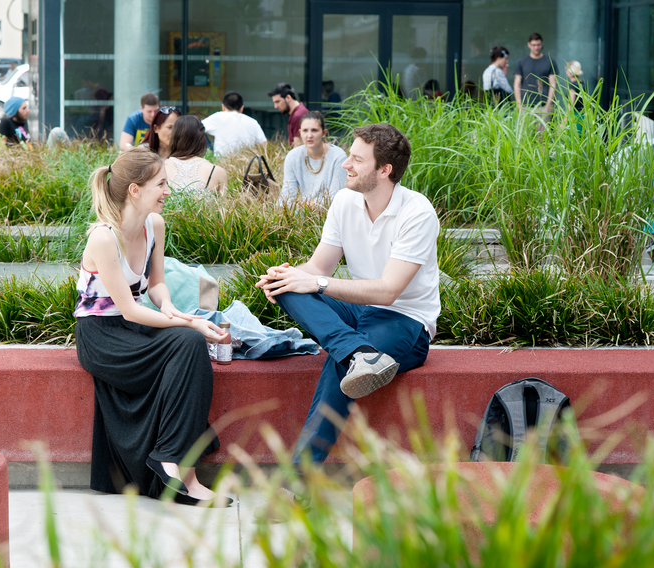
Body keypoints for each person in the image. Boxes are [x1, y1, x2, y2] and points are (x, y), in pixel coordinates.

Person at [256, 123, 439, 501]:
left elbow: (388, 292)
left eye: (357, 159)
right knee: (290, 288)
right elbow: (318, 268)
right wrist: (286, 276)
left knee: (338, 363)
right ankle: (359, 353)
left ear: (384, 170)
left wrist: (316, 284)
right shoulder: (344, 201)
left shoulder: (417, 212)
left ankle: (296, 485)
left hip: (406, 322)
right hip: (359, 313)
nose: (346, 165)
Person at [74, 146, 231, 507]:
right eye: (161, 184)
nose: (167, 191)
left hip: (134, 328)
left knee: (190, 346)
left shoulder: (154, 225)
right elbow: (127, 310)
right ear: (135, 190)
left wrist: (174, 309)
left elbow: (156, 284)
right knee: (190, 341)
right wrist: (191, 323)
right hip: (102, 337)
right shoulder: (103, 237)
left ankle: (178, 467)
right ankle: (176, 466)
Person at [279, 111, 347, 203]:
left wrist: (303, 204)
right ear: (300, 133)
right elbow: (286, 198)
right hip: (298, 215)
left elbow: (336, 198)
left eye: (314, 130)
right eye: (305, 130)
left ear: (324, 133)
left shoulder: (338, 156)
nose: (309, 135)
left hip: (331, 214)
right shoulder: (292, 157)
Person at [164, 116, 228, 196]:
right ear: (202, 138)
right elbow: (223, 207)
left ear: (174, 137)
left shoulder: (160, 168)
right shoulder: (217, 171)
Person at [201, 91, 267, 156]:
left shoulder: (218, 117)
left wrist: (208, 147)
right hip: (247, 164)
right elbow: (264, 144)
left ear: (223, 107)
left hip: (221, 163)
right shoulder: (253, 122)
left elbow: (196, 128)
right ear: (242, 108)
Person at [513, 33, 558, 117]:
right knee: (525, 130)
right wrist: (519, 105)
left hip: (544, 106)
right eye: (533, 45)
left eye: (538, 45)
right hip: (526, 106)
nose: (536, 47)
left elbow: (553, 84)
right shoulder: (521, 62)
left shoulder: (550, 61)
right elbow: (517, 84)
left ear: (542, 44)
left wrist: (548, 105)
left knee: (544, 130)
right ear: (529, 45)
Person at [268, 82, 309, 147]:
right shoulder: (296, 113)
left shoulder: (298, 115)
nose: (275, 106)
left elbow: (298, 147)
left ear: (288, 98)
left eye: (278, 102)